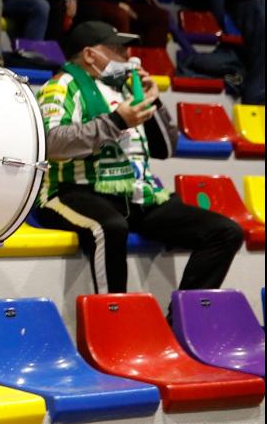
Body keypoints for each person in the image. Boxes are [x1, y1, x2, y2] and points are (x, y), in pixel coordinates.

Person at [33, 21, 243, 294]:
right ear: (89, 55)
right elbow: (52, 143)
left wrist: (154, 101)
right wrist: (116, 121)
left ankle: (181, 319)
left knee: (226, 232)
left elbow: (166, 149)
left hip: (135, 194)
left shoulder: (128, 89)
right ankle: (115, 318)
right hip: (74, 190)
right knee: (110, 228)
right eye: (117, 49)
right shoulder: (60, 86)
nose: (127, 55)